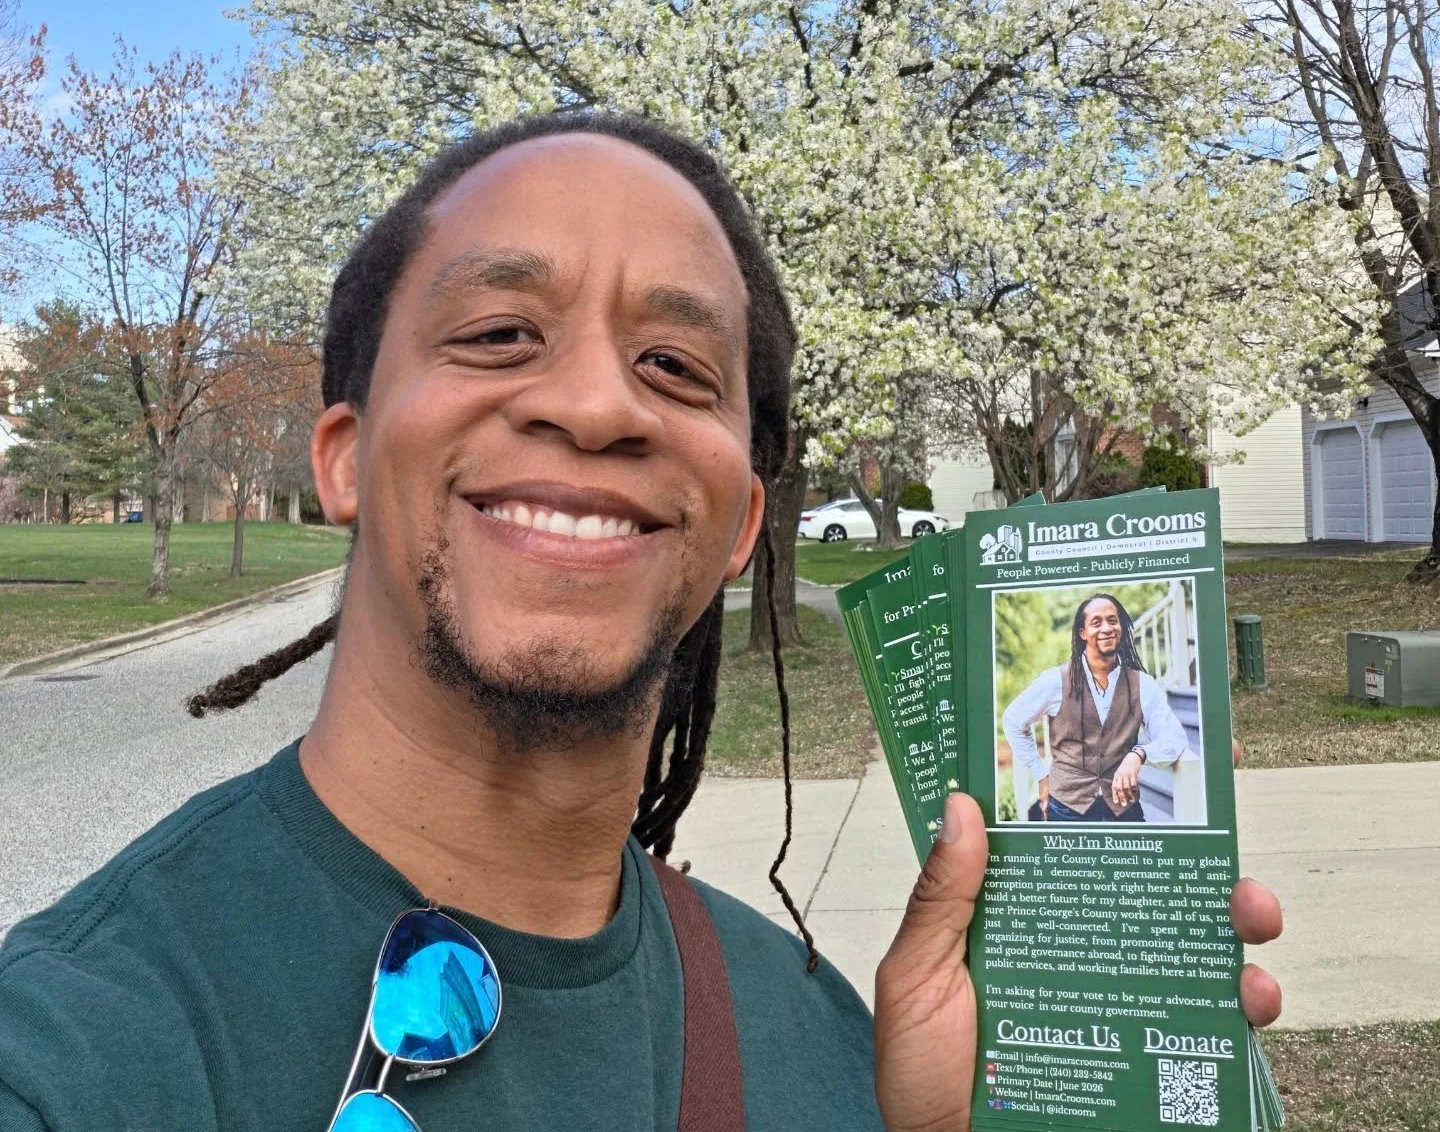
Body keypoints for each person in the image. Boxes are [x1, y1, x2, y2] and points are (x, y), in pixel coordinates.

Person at [0, 115, 1283, 1131]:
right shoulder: (77, 1053)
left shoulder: (840, 1048)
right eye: (502, 333)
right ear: (341, 457)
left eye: (677, 367)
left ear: (736, 525)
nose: (599, 403)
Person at [1003, 592, 1191, 822]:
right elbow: (1013, 720)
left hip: (1124, 808)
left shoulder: (1143, 685)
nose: (1107, 628)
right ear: (1082, 633)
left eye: (1113, 620)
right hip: (1066, 810)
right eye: (1096, 622)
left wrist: (1138, 754)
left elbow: (1175, 737)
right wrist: (1041, 774)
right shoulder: (1055, 681)